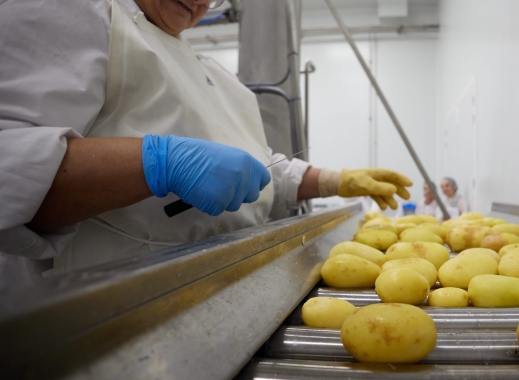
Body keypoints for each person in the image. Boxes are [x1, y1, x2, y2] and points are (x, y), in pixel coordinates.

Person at [0, 0, 411, 290]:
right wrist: (156, 164)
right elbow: (12, 164)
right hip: (102, 307)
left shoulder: (207, 69)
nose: (198, 1)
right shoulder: (73, 12)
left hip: (207, 292)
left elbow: (253, 166)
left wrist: (333, 180)